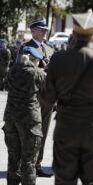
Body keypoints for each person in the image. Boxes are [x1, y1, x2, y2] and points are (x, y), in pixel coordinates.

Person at [41, 10, 93, 185]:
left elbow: (47, 99)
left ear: (74, 34)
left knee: (64, 181)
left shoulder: (58, 59)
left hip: (66, 128)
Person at [3, 46, 45, 185]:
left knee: (13, 158)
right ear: (35, 60)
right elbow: (47, 92)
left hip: (10, 118)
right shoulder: (37, 72)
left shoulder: (12, 70)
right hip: (29, 121)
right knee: (29, 161)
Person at [19, 19, 55, 177]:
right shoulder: (26, 48)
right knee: (30, 133)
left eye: (46, 30)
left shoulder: (49, 48)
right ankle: (26, 165)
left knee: (43, 132)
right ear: (33, 31)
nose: (45, 32)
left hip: (47, 98)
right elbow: (22, 72)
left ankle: (38, 164)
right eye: (42, 30)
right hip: (32, 98)